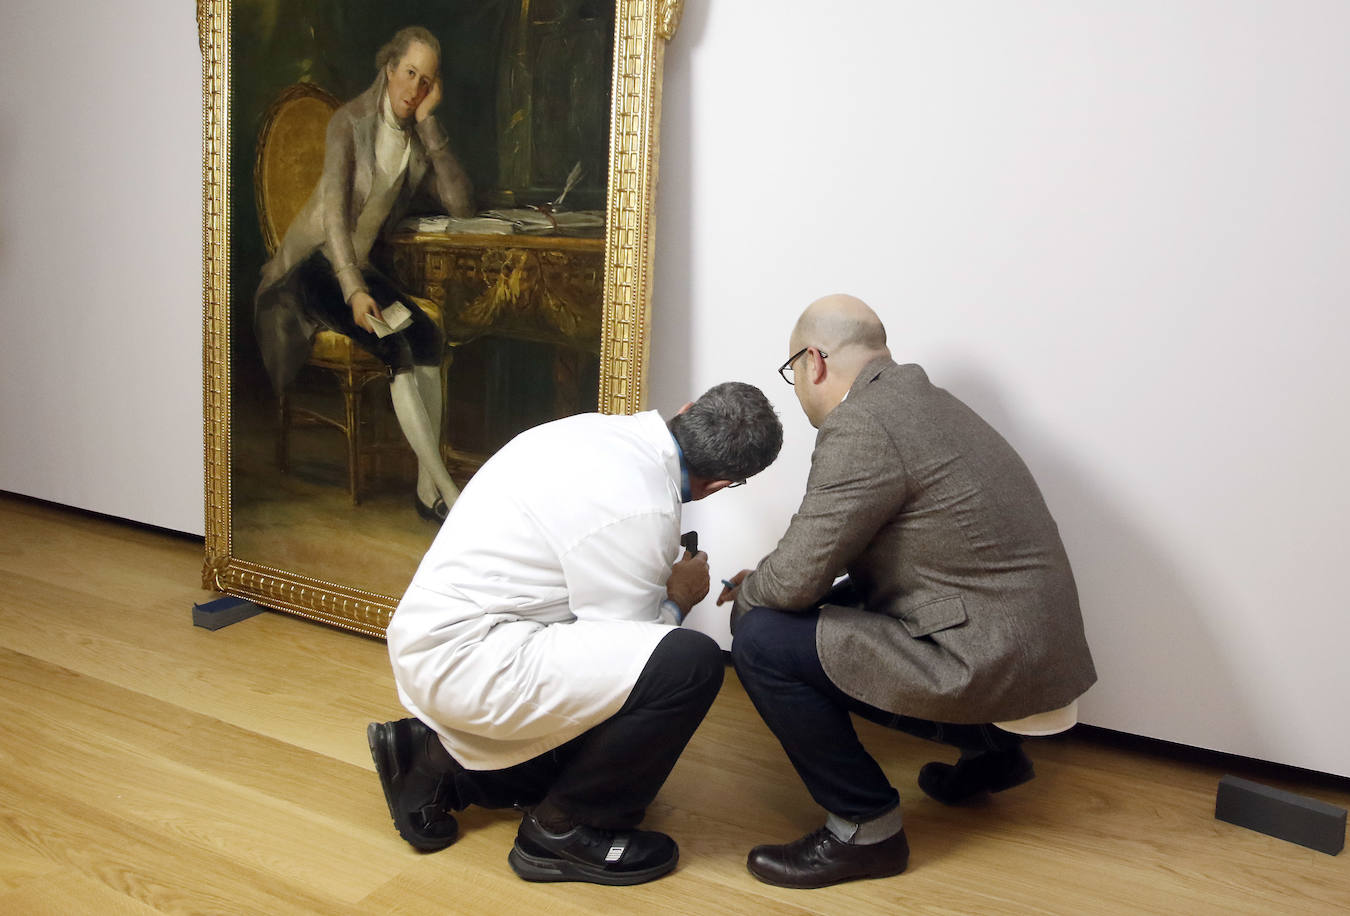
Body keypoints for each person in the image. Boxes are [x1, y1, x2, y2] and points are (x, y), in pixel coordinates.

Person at [718, 294, 1097, 889]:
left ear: (814, 361)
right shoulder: (930, 405)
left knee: (761, 635)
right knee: (812, 606)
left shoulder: (863, 423)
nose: (797, 388)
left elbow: (791, 583)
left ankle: (865, 830)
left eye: (793, 373)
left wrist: (751, 595)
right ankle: (992, 751)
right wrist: (777, 583)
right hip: (1033, 650)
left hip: (988, 657)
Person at [369, 382, 784, 886]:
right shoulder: (646, 506)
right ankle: (565, 831)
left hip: (436, 633)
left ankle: (432, 756)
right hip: (468, 657)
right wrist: (678, 597)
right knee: (689, 664)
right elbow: (638, 662)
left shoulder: (592, 430)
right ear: (721, 485)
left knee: (589, 750)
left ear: (687, 409)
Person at [255, 26, 473, 521]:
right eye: (409, 73)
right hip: (313, 267)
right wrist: (353, 291)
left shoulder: (417, 135)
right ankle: (449, 493)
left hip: (357, 265)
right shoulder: (348, 123)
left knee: (427, 338)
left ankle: (426, 491)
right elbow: (334, 216)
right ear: (389, 67)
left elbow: (461, 205)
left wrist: (431, 124)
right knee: (392, 346)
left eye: (426, 81)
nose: (414, 88)